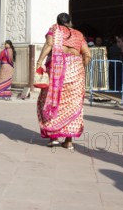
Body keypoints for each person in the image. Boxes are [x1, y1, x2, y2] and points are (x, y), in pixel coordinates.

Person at [35, 13, 91, 150]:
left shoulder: (54, 30)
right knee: (73, 105)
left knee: (52, 101)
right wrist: (80, 68)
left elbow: (49, 44)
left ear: (57, 22)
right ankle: (69, 141)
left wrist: (39, 61)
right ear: (70, 22)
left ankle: (53, 138)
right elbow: (87, 54)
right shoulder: (78, 34)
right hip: (76, 70)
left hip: (57, 70)